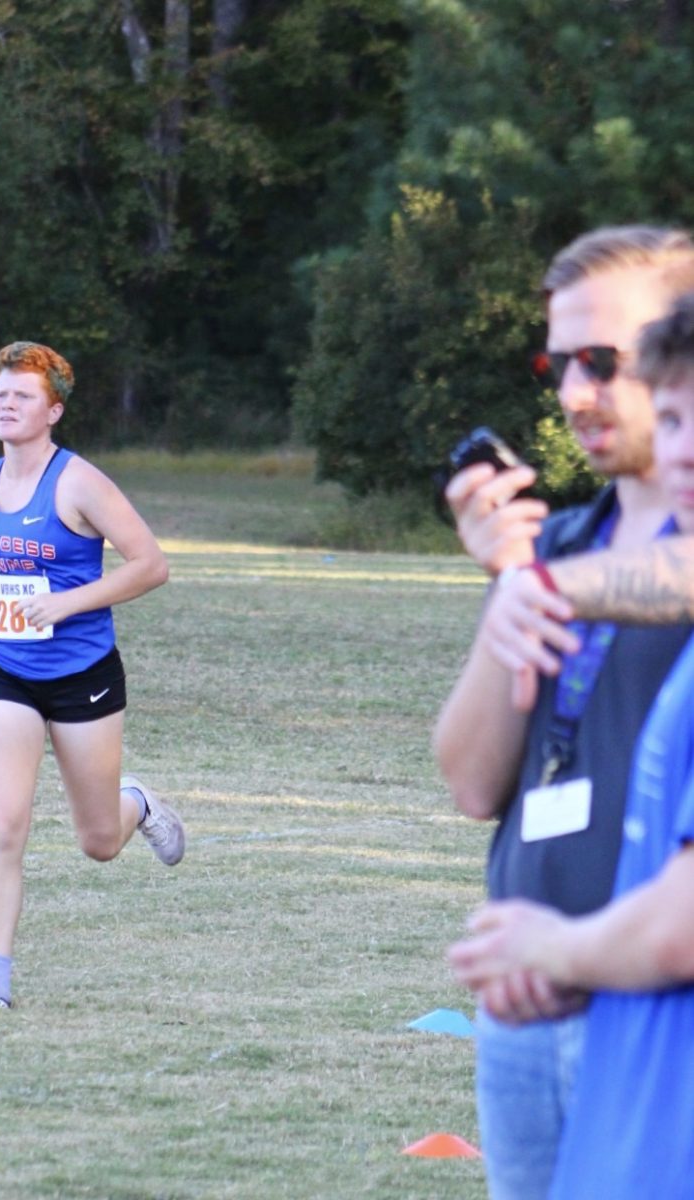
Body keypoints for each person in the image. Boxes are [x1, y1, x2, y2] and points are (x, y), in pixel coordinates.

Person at [432, 226, 694, 1199]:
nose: (573, 394)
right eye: (556, 365)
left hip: (651, 1014)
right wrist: (515, 582)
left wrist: (548, 585)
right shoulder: (567, 540)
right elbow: (469, 780)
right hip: (527, 1008)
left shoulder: (613, 562)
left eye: (600, 362)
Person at [0, 341, 185, 1012]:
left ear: (53, 411)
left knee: (99, 842)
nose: (6, 405)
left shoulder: (79, 483)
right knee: (3, 824)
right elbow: (5, 566)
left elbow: (150, 564)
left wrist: (68, 603)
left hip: (83, 676)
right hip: (7, 672)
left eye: (22, 396)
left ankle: (140, 805)